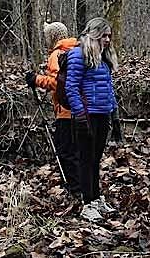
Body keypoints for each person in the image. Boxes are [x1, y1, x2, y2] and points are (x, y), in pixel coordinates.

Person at [65, 17, 121, 221]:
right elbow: (71, 88)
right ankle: (87, 202)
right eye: (103, 35)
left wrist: (114, 115)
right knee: (85, 159)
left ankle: (96, 198)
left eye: (109, 36)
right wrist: (80, 115)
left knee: (95, 159)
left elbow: (108, 87)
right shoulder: (78, 54)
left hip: (102, 113)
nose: (107, 39)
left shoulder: (103, 56)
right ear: (94, 33)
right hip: (86, 116)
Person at [25, 21, 82, 199]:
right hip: (83, 111)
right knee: (79, 151)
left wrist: (36, 79)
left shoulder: (57, 54)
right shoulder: (78, 51)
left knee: (66, 151)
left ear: (52, 37)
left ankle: (75, 188)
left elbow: (57, 83)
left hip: (66, 112)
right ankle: (80, 186)